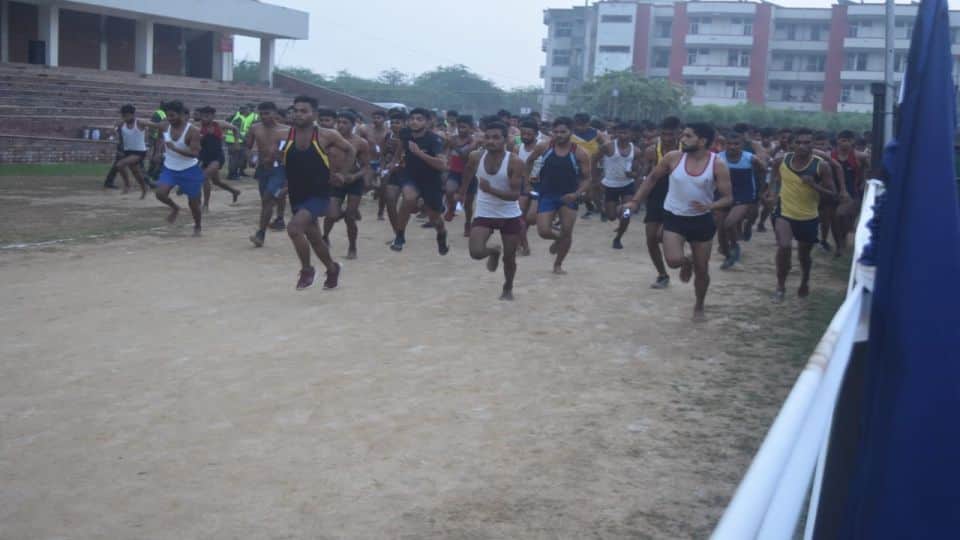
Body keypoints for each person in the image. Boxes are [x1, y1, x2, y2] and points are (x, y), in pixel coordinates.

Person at [621, 123, 733, 321]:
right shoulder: (673, 157)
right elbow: (652, 179)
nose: (682, 139)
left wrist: (711, 206)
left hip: (702, 221)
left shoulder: (717, 164)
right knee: (673, 262)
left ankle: (699, 306)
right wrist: (635, 201)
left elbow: (728, 198)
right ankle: (686, 261)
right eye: (683, 135)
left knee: (702, 269)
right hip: (674, 217)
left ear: (702, 140)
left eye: (688, 136)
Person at [280, 95, 355, 290]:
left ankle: (307, 270)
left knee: (294, 229)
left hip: (319, 193)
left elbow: (351, 150)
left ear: (314, 114)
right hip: (297, 193)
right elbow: (289, 163)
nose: (298, 114)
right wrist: (284, 184)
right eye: (295, 110)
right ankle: (332, 268)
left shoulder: (326, 135)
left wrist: (343, 174)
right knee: (315, 238)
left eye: (303, 111)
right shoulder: (286, 135)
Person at [767, 128, 836, 302]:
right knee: (784, 247)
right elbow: (774, 180)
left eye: (807, 143)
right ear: (791, 144)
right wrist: (772, 195)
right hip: (784, 212)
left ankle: (805, 280)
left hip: (808, 216)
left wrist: (814, 186)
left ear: (813, 144)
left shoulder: (821, 165)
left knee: (804, 256)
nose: (802, 146)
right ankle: (780, 287)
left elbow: (832, 193)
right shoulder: (781, 161)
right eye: (798, 142)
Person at [461, 121, 525, 300]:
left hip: (509, 214)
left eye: (496, 137)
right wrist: (462, 192)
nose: (490, 141)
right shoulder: (475, 157)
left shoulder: (514, 162)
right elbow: (467, 172)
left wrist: (490, 190)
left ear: (505, 139)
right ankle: (494, 251)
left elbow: (514, 195)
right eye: (487, 137)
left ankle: (507, 287)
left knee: (510, 258)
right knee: (476, 252)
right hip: (485, 211)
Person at [523, 117, 591, 275]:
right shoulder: (544, 147)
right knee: (543, 230)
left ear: (571, 132)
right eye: (556, 132)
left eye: (563, 132)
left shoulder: (580, 153)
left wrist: (576, 194)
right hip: (547, 194)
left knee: (567, 231)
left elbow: (587, 179)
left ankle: (558, 264)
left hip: (568, 196)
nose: (559, 135)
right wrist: (526, 184)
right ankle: (560, 240)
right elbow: (528, 162)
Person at [389, 107, 450, 254]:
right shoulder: (405, 134)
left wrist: (419, 154)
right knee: (408, 198)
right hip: (410, 175)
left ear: (428, 122)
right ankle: (400, 235)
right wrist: (394, 161)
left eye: (419, 119)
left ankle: (441, 235)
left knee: (435, 219)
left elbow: (442, 165)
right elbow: (400, 147)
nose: (414, 122)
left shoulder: (434, 140)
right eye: (412, 119)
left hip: (431, 180)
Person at [147, 101, 205, 235]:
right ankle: (175, 208)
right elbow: (161, 140)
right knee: (160, 193)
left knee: (194, 203)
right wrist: (157, 152)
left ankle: (197, 226)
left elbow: (195, 154)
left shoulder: (193, 131)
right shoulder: (164, 126)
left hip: (189, 169)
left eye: (173, 116)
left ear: (181, 115)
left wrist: (176, 149)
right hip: (170, 168)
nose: (170, 119)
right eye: (168, 116)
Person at [641, 116, 682, 289]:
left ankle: (681, 258)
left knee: (661, 236)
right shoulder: (651, 151)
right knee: (651, 239)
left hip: (677, 198)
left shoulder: (685, 151)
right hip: (655, 197)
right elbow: (645, 174)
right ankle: (662, 274)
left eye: (670, 134)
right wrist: (639, 197)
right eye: (663, 134)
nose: (666, 138)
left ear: (677, 134)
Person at [323, 110, 370, 259]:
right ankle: (325, 236)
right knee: (331, 214)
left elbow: (366, 167)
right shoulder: (329, 140)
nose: (341, 126)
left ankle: (352, 247)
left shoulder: (360, 143)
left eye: (345, 123)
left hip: (353, 181)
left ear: (353, 124)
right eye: (339, 122)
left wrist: (353, 176)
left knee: (350, 217)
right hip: (334, 181)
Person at [716, 130, 766, 269]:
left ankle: (734, 246)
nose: (732, 147)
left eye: (736, 144)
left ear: (742, 145)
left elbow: (763, 171)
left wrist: (761, 192)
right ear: (725, 144)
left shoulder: (750, 158)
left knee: (728, 223)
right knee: (720, 230)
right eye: (729, 144)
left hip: (744, 196)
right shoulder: (718, 158)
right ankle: (728, 255)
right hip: (723, 195)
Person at [247, 102, 290, 247]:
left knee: (268, 198)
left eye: (267, 113)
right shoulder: (255, 128)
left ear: (275, 113)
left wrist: (281, 156)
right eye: (262, 113)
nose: (264, 116)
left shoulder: (286, 130)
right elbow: (249, 145)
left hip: (279, 168)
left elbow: (292, 150)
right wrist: (252, 158)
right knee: (266, 201)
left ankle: (261, 233)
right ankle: (277, 219)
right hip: (263, 168)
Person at [599, 122, 643, 250]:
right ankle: (619, 209)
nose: (623, 135)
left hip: (627, 185)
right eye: (620, 132)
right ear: (616, 133)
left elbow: (641, 167)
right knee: (611, 216)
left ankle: (618, 238)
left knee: (626, 214)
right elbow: (594, 158)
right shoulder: (608, 146)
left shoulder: (636, 150)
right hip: (610, 185)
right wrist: (595, 178)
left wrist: (635, 174)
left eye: (626, 132)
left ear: (631, 134)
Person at [830, 130, 868, 258]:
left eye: (848, 140)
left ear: (853, 141)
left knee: (842, 215)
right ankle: (839, 245)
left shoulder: (859, 156)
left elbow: (869, 167)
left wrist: (863, 180)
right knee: (833, 221)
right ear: (837, 141)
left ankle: (843, 238)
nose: (845, 143)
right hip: (833, 192)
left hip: (852, 191)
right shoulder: (830, 155)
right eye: (842, 140)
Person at [195, 106, 241, 210]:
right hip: (203, 157)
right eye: (203, 116)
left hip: (217, 157)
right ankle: (234, 191)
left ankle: (205, 205)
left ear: (213, 116)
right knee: (216, 181)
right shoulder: (197, 126)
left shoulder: (219, 124)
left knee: (204, 177)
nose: (205, 118)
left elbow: (235, 129)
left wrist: (236, 142)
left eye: (208, 116)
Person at [445, 115, 481, 231]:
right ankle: (451, 208)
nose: (461, 130)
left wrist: (455, 146)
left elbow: (465, 155)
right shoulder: (452, 139)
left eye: (464, 127)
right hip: (455, 171)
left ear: (471, 128)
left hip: (470, 174)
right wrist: (447, 161)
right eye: (459, 127)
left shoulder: (474, 141)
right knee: (449, 190)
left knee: (468, 205)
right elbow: (446, 152)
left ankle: (468, 222)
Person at [512, 118, 541, 256]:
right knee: (519, 216)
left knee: (530, 218)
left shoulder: (542, 147)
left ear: (536, 134)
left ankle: (519, 242)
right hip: (522, 183)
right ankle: (524, 244)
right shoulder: (518, 148)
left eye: (529, 134)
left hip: (539, 184)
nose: (525, 137)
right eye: (523, 133)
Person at [570, 112, 601, 219]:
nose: (580, 127)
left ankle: (590, 206)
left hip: (592, 165)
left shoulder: (597, 133)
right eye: (578, 124)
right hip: (573, 165)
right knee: (573, 188)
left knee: (589, 190)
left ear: (589, 123)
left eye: (583, 125)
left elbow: (606, 145)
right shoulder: (570, 134)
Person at [114, 104, 149, 198]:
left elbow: (154, 126)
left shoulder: (140, 123)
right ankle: (144, 188)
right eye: (123, 116)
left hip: (139, 152)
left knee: (120, 165)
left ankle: (127, 185)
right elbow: (122, 137)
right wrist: (120, 149)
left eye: (126, 116)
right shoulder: (122, 124)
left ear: (133, 114)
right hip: (128, 151)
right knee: (136, 172)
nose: (124, 118)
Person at [379, 109, 407, 227]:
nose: (394, 125)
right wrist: (382, 167)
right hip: (391, 170)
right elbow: (383, 153)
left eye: (398, 122)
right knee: (389, 199)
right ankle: (397, 233)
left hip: (407, 172)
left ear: (404, 124)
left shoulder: (410, 137)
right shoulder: (388, 136)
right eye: (393, 122)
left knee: (407, 204)